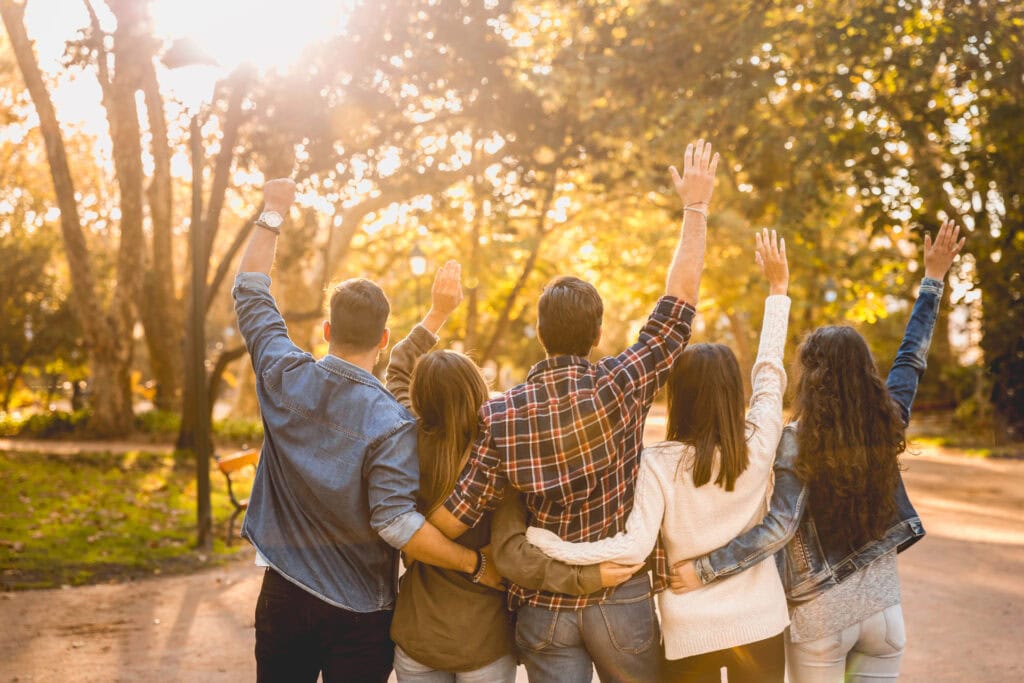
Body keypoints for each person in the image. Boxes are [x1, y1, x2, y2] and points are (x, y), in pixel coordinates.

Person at [426, 139, 719, 683]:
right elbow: (679, 303)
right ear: (597, 333)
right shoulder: (624, 382)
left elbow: (456, 514)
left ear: (540, 335)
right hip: (621, 597)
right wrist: (695, 208)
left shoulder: (503, 416)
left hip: (543, 605)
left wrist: (404, 528)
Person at [670, 219, 967, 682]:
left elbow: (780, 528)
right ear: (864, 371)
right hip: (885, 618)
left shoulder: (796, 441)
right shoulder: (886, 420)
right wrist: (933, 279)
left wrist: (705, 569)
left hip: (821, 620)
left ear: (811, 379)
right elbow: (912, 357)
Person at [232, 178, 502, 683]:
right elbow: (396, 524)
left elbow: (250, 288)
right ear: (382, 337)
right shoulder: (394, 422)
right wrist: (475, 563)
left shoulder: (282, 374)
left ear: (328, 331)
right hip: (359, 612)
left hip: (283, 595)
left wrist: (273, 211)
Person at [527, 229, 793, 682]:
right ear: (733, 393)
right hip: (761, 621)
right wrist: (778, 290)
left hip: (689, 630)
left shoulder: (659, 462)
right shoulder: (761, 439)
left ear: (679, 397)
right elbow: (770, 368)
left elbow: (632, 547)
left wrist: (547, 542)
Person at [384, 261, 641, 683]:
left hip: (418, 635)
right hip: (483, 641)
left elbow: (398, 365)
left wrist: (438, 312)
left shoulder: (407, 434)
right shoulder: (502, 452)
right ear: (478, 391)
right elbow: (515, 554)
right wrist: (587, 576)